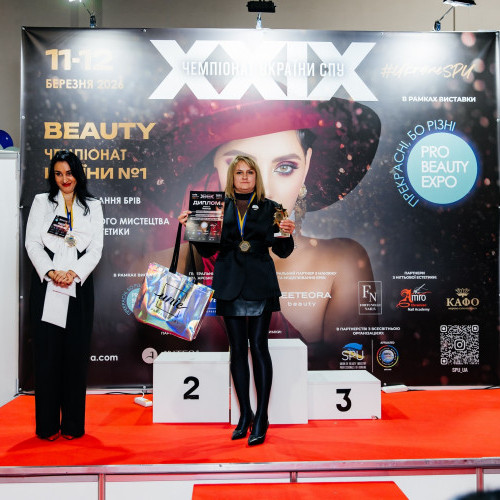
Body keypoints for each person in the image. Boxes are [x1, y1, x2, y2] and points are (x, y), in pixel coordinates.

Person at [142, 98, 381, 370]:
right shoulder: (164, 265)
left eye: (285, 167)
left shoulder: (343, 261)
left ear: (307, 165)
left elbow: (351, 370)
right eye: (239, 168)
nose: (262, 188)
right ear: (214, 167)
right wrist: (198, 235)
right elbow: (157, 368)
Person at [178, 155, 295, 445]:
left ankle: (262, 417)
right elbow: (207, 252)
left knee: (259, 348)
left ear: (256, 176)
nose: (244, 177)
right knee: (238, 350)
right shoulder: (216, 207)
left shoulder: (273, 208)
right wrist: (194, 228)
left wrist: (287, 234)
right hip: (229, 283)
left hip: (260, 283)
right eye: (239, 172)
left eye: (250, 172)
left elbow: (282, 251)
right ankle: (245, 414)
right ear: (231, 176)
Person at [25, 150, 104, 441]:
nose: (64, 179)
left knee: (75, 357)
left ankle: (72, 425)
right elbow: (32, 243)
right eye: (58, 174)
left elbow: (96, 248)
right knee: (47, 357)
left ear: (77, 173)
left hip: (78, 288)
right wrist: (50, 271)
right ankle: (47, 426)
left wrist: (73, 273)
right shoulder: (41, 202)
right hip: (47, 287)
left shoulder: (92, 206)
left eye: (69, 173)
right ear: (53, 176)